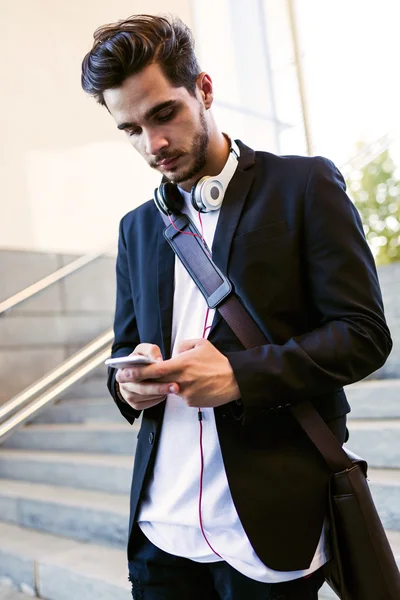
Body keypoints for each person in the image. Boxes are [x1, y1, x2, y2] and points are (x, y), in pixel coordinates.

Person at [81, 14, 392, 600]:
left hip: (266, 534)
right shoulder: (137, 229)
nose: (154, 146)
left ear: (203, 88)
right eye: (131, 130)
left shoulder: (304, 186)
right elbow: (124, 347)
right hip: (160, 534)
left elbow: (364, 334)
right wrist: (131, 384)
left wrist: (239, 376)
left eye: (163, 114)